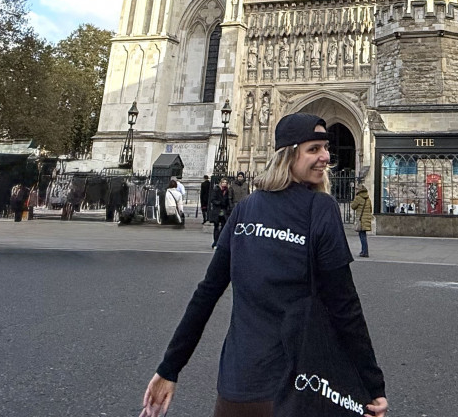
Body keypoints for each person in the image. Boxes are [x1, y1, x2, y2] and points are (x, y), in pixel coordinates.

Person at [141, 113, 387, 417]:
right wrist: (371, 384)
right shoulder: (320, 209)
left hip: (237, 388)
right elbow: (344, 305)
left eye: (326, 148)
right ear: (288, 155)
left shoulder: (244, 210)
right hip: (296, 390)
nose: (326, 157)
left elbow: (206, 294)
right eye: (314, 149)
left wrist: (169, 368)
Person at [350, 183, 373, 259]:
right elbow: (370, 209)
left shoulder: (358, 198)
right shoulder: (368, 198)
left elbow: (353, 206)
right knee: (363, 235)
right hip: (366, 219)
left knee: (362, 236)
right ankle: (364, 251)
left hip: (360, 219)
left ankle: (364, 252)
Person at [209, 177, 231, 247]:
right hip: (217, 210)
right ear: (221, 183)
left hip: (224, 211)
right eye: (223, 182)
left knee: (223, 227)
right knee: (216, 227)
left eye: (225, 183)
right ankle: (215, 241)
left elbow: (229, 200)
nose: (224, 184)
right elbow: (212, 199)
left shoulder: (228, 191)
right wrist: (219, 202)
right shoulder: (216, 189)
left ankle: (220, 241)